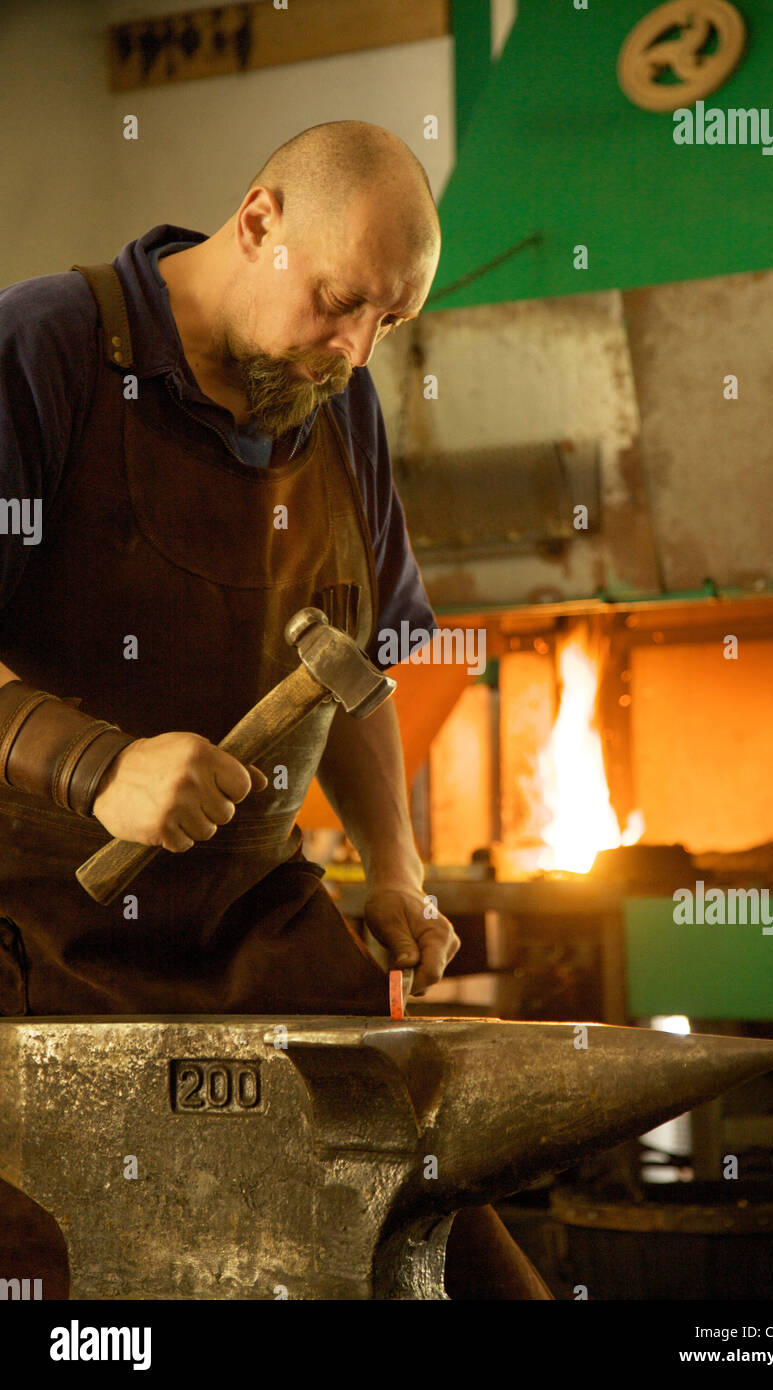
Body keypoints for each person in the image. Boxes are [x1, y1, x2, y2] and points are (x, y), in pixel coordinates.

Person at [0, 119, 551, 1297]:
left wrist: (397, 870)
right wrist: (97, 764)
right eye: (341, 301)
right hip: (38, 938)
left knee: (427, 1240)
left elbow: (351, 670)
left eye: (389, 324)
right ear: (257, 221)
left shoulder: (336, 402)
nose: (355, 349)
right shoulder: (44, 348)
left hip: (252, 927)